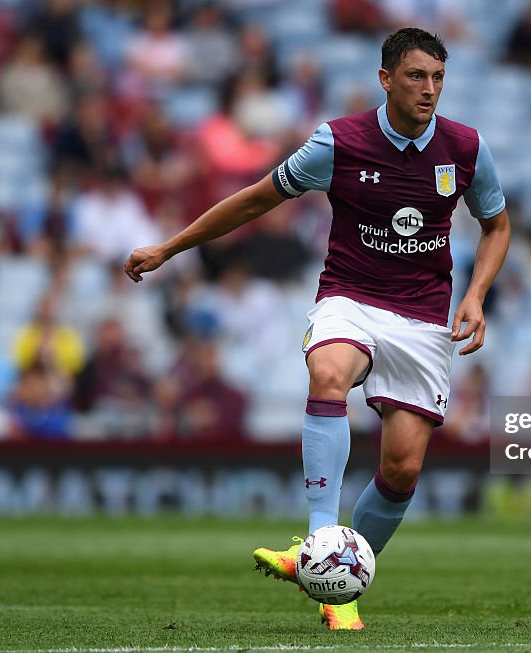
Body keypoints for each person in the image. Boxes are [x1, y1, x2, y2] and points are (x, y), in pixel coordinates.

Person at [124, 28, 510, 630]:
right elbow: (255, 200)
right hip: (350, 297)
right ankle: (319, 537)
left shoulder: (466, 148)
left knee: (404, 468)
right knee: (327, 371)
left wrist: (478, 296)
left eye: (437, 78)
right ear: (386, 79)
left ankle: (333, 581)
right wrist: (170, 248)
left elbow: (497, 225)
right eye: (415, 76)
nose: (429, 90)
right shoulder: (338, 142)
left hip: (423, 316)